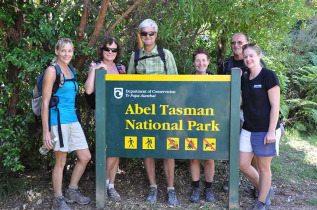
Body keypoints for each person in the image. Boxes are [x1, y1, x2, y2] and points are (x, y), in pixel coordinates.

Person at [127, 19, 179, 207]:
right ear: (140, 35)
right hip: (143, 113)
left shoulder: (166, 55)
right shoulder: (135, 56)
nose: (147, 37)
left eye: (151, 33)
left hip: (165, 112)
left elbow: (175, 84)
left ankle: (171, 189)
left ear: (156, 35)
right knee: (147, 149)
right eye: (144, 33)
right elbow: (129, 85)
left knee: (168, 150)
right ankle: (153, 187)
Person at [41, 38, 91, 210]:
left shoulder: (70, 69)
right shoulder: (51, 70)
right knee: (61, 162)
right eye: (63, 50)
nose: (67, 54)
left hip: (72, 119)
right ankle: (58, 199)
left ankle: (72, 191)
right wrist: (46, 131)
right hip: (58, 120)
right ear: (57, 51)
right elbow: (45, 102)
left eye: (69, 51)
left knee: (85, 157)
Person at [239, 43, 281, 210]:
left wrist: (271, 131)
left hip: (265, 130)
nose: (248, 59)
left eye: (251, 56)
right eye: (245, 56)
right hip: (248, 128)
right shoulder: (245, 77)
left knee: (264, 168)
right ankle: (265, 189)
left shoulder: (268, 76)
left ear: (259, 56)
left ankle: (262, 202)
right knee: (243, 164)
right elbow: (242, 101)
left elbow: (275, 106)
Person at [84, 37, 126, 201]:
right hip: (102, 113)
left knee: (116, 150)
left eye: (113, 50)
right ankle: (104, 182)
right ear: (102, 50)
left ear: (117, 52)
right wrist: (95, 71)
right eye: (107, 49)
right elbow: (88, 90)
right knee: (107, 149)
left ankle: (111, 185)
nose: (110, 52)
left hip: (119, 113)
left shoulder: (121, 68)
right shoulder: (95, 66)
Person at [189, 47, 215, 203]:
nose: (201, 63)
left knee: (209, 157)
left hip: (210, 123)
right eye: (198, 60)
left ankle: (209, 188)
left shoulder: (215, 80)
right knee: (194, 157)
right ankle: (196, 188)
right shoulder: (188, 79)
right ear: (194, 63)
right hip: (191, 123)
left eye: (204, 60)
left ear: (208, 61)